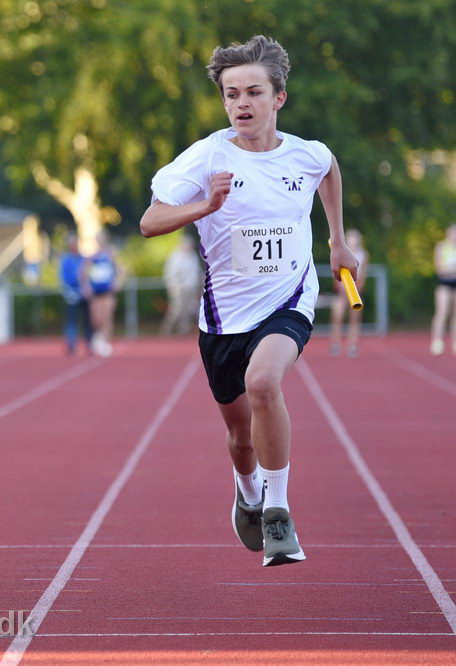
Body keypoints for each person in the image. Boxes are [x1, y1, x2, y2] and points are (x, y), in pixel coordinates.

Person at [140, 35, 358, 567]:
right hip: (223, 318)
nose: (242, 104)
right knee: (240, 438)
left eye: (254, 92)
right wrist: (204, 204)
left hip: (289, 300)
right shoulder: (206, 156)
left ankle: (278, 512)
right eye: (231, 94)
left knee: (264, 382)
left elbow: (328, 171)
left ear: (278, 97)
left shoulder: (306, 154)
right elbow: (149, 223)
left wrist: (337, 240)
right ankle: (248, 490)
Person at [329, 228, 367, 358]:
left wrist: (355, 289)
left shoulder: (363, 255)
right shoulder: (340, 253)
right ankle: (335, 343)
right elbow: (335, 274)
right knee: (337, 317)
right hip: (341, 292)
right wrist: (341, 288)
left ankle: (353, 345)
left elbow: (363, 275)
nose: (353, 242)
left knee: (354, 319)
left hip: (355, 292)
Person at [81, 231, 120, 357]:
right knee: (97, 318)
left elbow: (121, 269)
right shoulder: (93, 256)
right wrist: (86, 287)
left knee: (107, 317)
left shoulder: (111, 254)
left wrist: (117, 282)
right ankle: (97, 338)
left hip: (107, 291)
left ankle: (104, 341)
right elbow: (83, 272)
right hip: (96, 291)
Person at [161, 233, 203, 335]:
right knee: (177, 309)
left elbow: (197, 272)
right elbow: (171, 274)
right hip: (179, 288)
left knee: (188, 310)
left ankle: (183, 331)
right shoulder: (175, 256)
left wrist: (201, 282)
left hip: (190, 287)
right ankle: (166, 330)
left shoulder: (192, 256)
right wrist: (174, 287)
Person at [58, 232, 92, 355]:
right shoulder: (66, 260)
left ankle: (89, 344)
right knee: (72, 320)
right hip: (72, 294)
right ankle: (71, 345)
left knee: (87, 320)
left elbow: (89, 274)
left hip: (84, 294)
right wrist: (68, 291)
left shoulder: (84, 258)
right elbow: (63, 277)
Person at [430, 224, 456, 356]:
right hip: (444, 284)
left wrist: (449, 269)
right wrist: (452, 270)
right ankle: (437, 341)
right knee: (442, 312)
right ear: (448, 234)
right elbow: (440, 270)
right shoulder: (441, 247)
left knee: (455, 315)